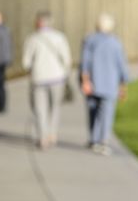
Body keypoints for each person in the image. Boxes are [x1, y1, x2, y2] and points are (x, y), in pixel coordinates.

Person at [80, 13, 129, 156]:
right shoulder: (116, 43)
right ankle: (103, 141)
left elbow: (85, 63)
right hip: (110, 83)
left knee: (93, 112)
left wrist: (85, 81)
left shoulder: (89, 40)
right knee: (107, 114)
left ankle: (94, 140)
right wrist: (123, 85)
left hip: (93, 82)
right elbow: (122, 66)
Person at [22, 11, 71, 149]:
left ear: (38, 23)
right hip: (57, 78)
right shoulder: (60, 37)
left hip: (38, 78)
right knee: (55, 107)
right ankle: (52, 133)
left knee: (39, 108)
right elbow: (66, 59)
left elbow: (26, 62)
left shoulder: (33, 38)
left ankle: (42, 137)